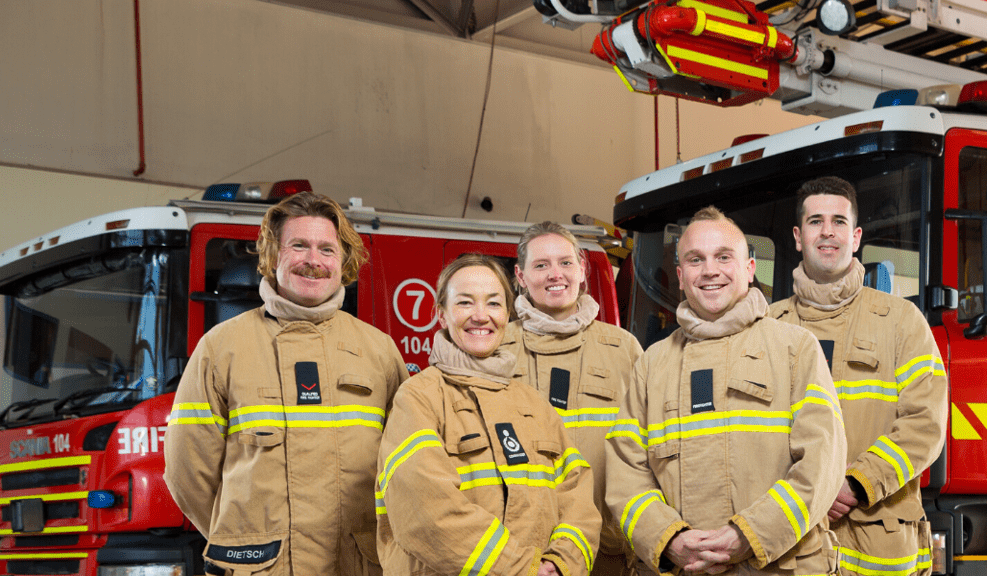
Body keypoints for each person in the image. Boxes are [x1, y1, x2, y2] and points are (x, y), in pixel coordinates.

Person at [165, 191, 408, 575]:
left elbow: (405, 467)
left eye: (327, 249)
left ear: (342, 260)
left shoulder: (379, 351)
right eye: (299, 246)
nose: (314, 261)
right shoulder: (221, 347)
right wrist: (241, 538)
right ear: (273, 255)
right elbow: (187, 471)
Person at [605, 207, 847, 576]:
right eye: (696, 260)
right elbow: (626, 474)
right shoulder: (651, 364)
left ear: (749, 269)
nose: (710, 270)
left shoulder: (795, 348)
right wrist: (668, 539)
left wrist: (749, 534)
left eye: (723, 257)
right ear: (681, 277)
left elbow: (821, 465)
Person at [375, 254, 602, 576]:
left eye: (494, 304)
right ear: (441, 314)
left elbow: (577, 496)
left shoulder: (535, 403)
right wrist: (525, 569)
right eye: (465, 303)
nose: (481, 316)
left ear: (508, 315)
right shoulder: (418, 397)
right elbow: (428, 513)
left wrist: (561, 564)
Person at [767, 177, 948, 576]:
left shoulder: (902, 322)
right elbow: (752, 433)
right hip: (791, 543)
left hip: (878, 546)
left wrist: (856, 483)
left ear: (856, 236)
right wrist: (810, 491)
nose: (827, 231)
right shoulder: (768, 327)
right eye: (815, 221)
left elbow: (926, 423)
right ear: (798, 237)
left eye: (838, 221)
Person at [508, 222, 644, 576]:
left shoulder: (623, 348)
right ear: (521, 276)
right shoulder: (497, 349)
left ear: (583, 270)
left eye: (566, 262)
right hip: (521, 552)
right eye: (541, 265)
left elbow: (646, 450)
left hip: (606, 549)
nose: (556, 274)